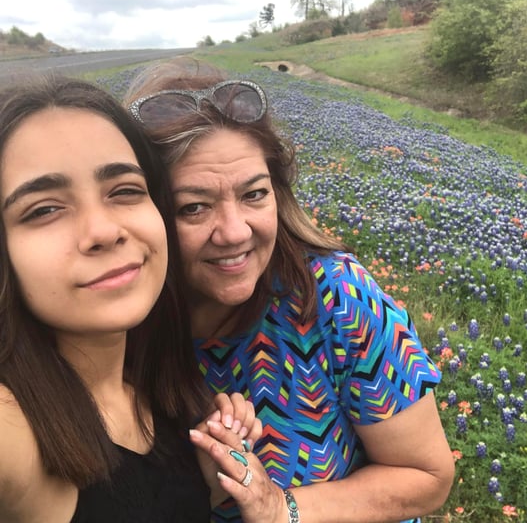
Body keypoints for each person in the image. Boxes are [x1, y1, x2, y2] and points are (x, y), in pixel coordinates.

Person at [124, 58, 455, 523]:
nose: (235, 232)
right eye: (193, 207)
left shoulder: (336, 296)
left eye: (254, 194)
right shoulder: (117, 329)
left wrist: (281, 510)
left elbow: (427, 475)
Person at [0, 73, 260, 523]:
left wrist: (205, 481)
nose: (103, 230)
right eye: (43, 209)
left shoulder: (161, 392)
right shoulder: (12, 428)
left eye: (125, 191)